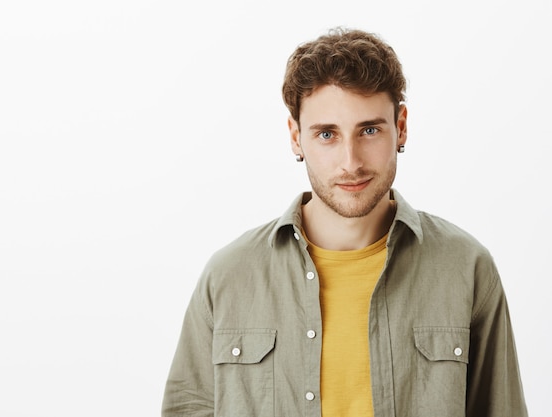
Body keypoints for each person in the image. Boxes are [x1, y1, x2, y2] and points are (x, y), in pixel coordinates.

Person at [161, 27, 528, 417]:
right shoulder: (230, 276)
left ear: (400, 126)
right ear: (296, 137)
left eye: (369, 130)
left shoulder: (465, 268)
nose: (350, 161)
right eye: (326, 134)